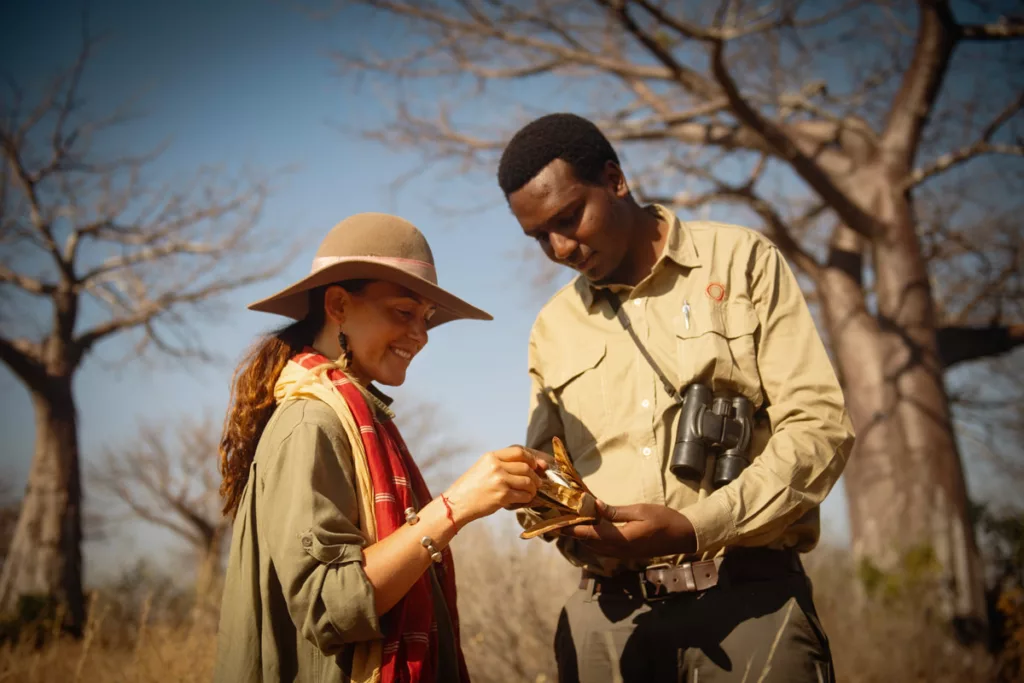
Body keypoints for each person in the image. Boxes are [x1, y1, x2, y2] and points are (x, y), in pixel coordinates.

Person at [501, 113, 855, 682]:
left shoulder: (742, 262)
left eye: (568, 218)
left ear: (615, 180)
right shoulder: (553, 325)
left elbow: (820, 429)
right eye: (539, 235)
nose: (560, 246)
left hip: (750, 605)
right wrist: (548, 504)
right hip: (608, 618)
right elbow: (548, 471)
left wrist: (697, 527)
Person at [214, 212, 546, 682]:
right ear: (337, 306)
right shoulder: (312, 421)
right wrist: (454, 508)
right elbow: (330, 605)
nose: (421, 335)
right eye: (404, 313)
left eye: (426, 319)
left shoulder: (356, 415)